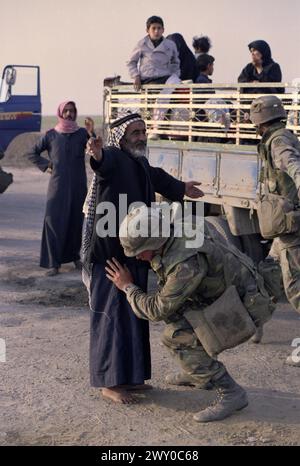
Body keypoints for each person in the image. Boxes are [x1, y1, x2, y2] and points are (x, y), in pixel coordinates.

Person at [105, 206, 274, 422]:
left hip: (243, 308)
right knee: (177, 319)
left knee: (177, 338)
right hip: (230, 294)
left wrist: (128, 287)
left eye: (140, 251)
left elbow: (156, 309)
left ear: (155, 242)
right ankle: (196, 372)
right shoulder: (180, 229)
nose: (137, 257)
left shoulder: (185, 263)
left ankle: (231, 392)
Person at [82, 111, 204, 404]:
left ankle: (132, 378)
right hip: (110, 255)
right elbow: (102, 164)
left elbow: (158, 178)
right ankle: (109, 382)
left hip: (135, 252)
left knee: (133, 316)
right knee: (112, 317)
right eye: (134, 133)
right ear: (121, 137)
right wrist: (96, 153)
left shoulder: (139, 162)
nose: (140, 137)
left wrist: (182, 188)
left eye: (143, 131)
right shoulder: (113, 156)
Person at [250, 95, 300, 364]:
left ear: (259, 122)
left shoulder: (278, 141)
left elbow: (291, 163)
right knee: (267, 273)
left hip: (292, 226)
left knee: (295, 288)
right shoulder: (277, 137)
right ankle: (257, 322)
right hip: (282, 228)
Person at [27, 101, 95, 276]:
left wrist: (91, 132)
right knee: (54, 223)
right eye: (66, 110)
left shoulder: (81, 133)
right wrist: (47, 165)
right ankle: (53, 263)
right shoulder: (51, 135)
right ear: (60, 112)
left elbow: (95, 149)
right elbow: (31, 153)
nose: (69, 114)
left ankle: (75, 257)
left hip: (79, 185)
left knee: (75, 222)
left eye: (72, 111)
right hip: (58, 186)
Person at [127, 16, 180, 90]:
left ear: (163, 30)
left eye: (159, 28)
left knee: (176, 82)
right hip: (148, 79)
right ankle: (160, 100)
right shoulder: (141, 44)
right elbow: (131, 63)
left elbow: (175, 63)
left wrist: (175, 74)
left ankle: (162, 100)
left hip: (165, 78)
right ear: (147, 30)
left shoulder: (170, 45)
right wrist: (136, 76)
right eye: (153, 28)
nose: (156, 31)